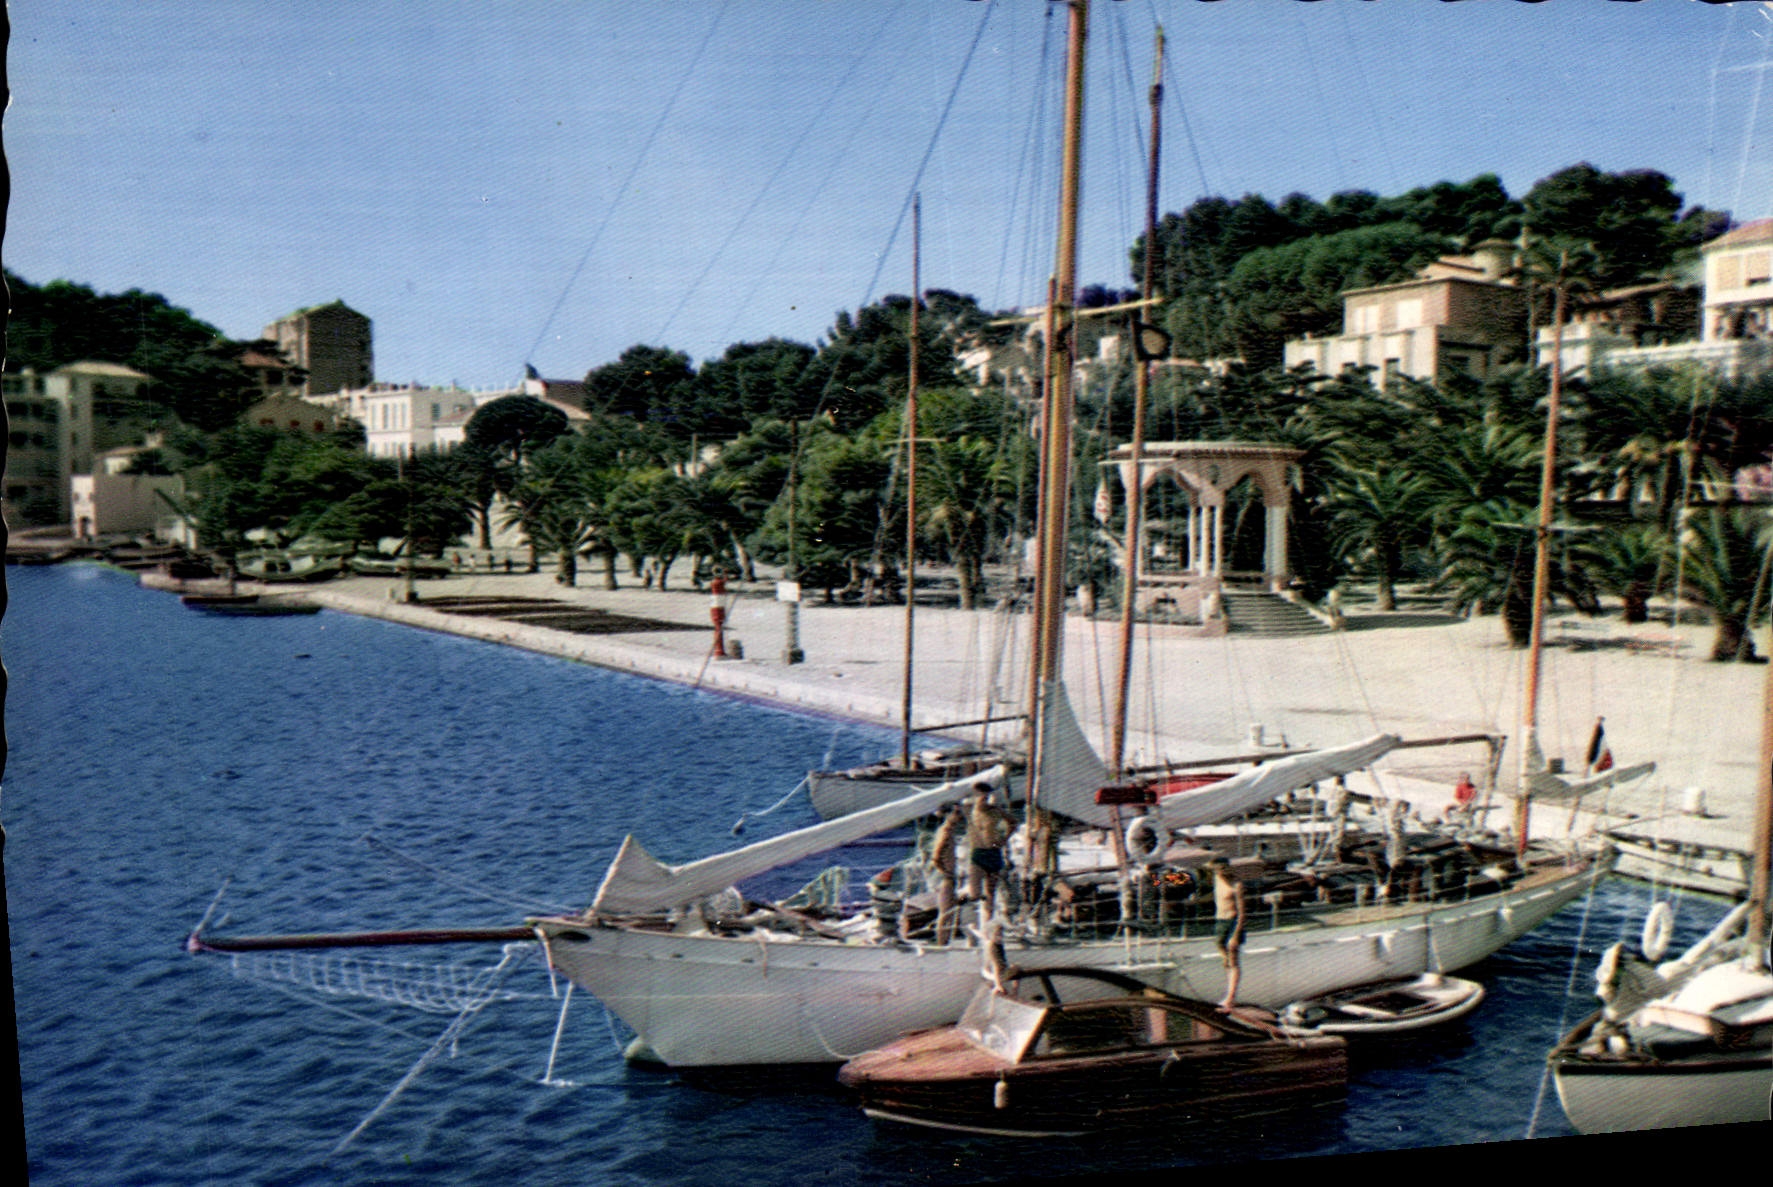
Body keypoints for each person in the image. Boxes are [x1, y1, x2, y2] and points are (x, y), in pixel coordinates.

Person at [1207, 857, 1246, 1009]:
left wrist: (1235, 936)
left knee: (1233, 959)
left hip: (1232, 922)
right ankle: (1228, 993)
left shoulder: (1236, 885)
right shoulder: (1216, 878)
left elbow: (1242, 914)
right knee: (1225, 959)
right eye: (1217, 870)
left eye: (1223, 869)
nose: (1220, 872)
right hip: (1220, 922)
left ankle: (1230, 997)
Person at [965, 791, 1014, 913]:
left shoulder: (995, 811)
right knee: (974, 892)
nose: (984, 800)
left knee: (990, 891)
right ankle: (975, 910)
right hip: (977, 852)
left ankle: (988, 918)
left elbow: (1013, 823)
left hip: (993, 851)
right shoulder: (970, 810)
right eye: (982, 798)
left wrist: (1004, 839)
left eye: (985, 798)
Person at [928, 805, 964, 945]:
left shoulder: (946, 831)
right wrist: (946, 873)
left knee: (949, 911)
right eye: (956, 813)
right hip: (945, 877)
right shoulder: (945, 832)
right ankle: (941, 943)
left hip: (947, 875)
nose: (959, 816)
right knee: (945, 912)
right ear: (947, 814)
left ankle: (945, 940)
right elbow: (936, 857)